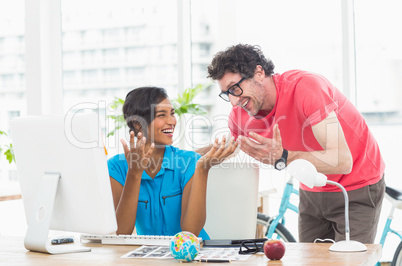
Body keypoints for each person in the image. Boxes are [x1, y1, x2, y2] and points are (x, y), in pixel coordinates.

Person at [206, 44, 385, 243]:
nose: (233, 101)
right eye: (226, 94)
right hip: (312, 188)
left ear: (258, 72)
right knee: (310, 262)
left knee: (348, 263)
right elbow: (224, 150)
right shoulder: (240, 115)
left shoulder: (305, 88)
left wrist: (284, 157)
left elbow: (342, 160)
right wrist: (177, 158)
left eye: (235, 88)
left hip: (356, 185)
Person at [107, 86, 237, 240]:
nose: (172, 121)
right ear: (137, 123)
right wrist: (134, 174)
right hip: (150, 257)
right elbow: (122, 232)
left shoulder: (189, 162)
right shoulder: (117, 167)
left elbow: (190, 232)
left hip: (192, 255)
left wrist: (202, 168)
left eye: (172, 114)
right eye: (162, 115)